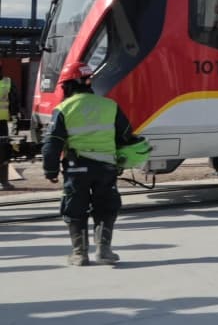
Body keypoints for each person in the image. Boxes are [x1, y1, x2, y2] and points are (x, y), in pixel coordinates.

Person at [42, 62, 143, 266]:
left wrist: (50, 170)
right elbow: (126, 136)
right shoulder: (109, 106)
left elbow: (53, 142)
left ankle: (80, 254)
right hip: (106, 167)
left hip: (76, 168)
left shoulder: (63, 109)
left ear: (70, 85)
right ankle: (104, 251)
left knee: (74, 208)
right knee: (106, 207)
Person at [0, 72, 12, 190]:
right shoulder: (6, 82)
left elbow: (13, 100)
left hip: (2, 122)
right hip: (2, 123)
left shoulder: (7, 82)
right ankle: (3, 182)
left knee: (3, 151)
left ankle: (4, 181)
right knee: (3, 151)